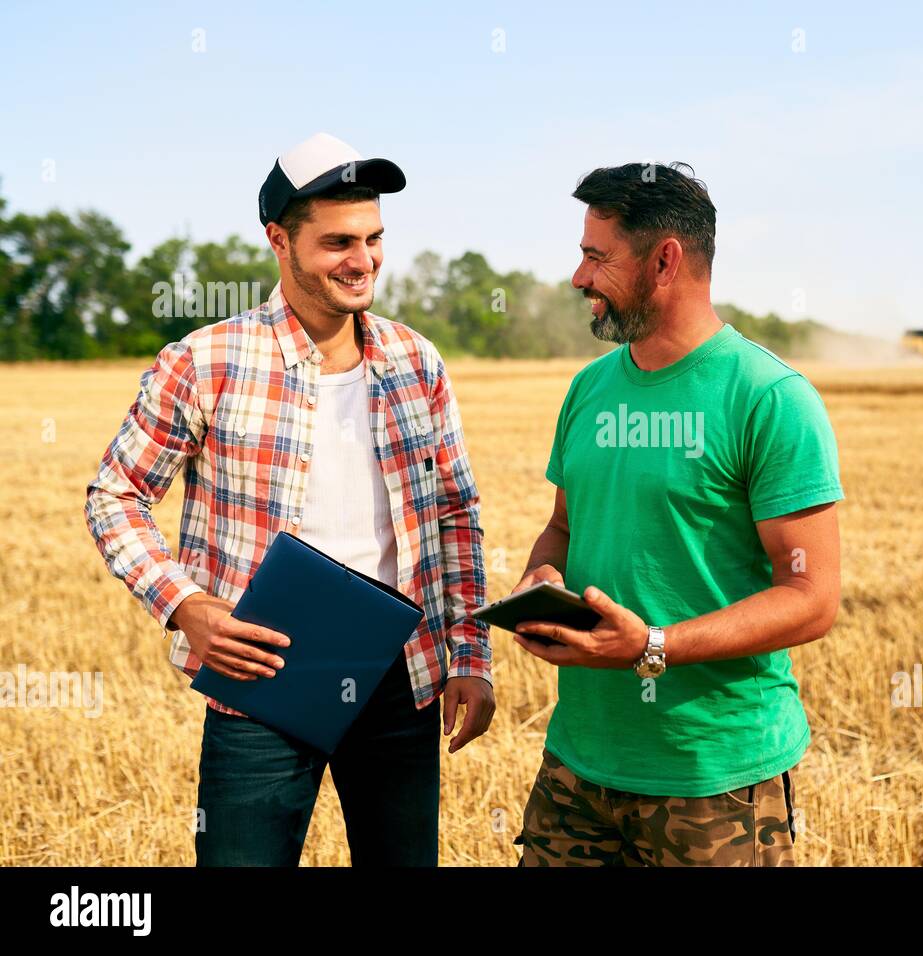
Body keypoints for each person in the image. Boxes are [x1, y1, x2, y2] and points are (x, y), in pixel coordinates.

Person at [84, 132, 494, 866]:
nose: (362, 260)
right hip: (260, 680)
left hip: (401, 677)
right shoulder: (203, 362)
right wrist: (184, 604)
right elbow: (116, 495)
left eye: (373, 239)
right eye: (337, 241)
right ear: (279, 240)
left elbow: (456, 515)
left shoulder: (416, 360)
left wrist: (469, 653)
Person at [511, 162, 843, 866]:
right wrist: (539, 580)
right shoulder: (589, 389)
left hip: (712, 782)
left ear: (664, 260)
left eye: (596, 257)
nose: (578, 277)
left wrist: (652, 647)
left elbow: (812, 600)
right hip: (577, 765)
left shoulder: (769, 398)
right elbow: (565, 526)